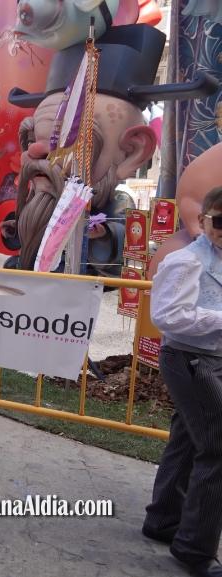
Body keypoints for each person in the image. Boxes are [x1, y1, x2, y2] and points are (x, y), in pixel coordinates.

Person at [143, 186, 222, 577]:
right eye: (220, 221)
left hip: (211, 358)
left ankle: (162, 521)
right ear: (204, 220)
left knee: (190, 439)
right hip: (191, 359)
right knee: (217, 448)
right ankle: (194, 549)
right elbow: (168, 317)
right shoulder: (186, 261)